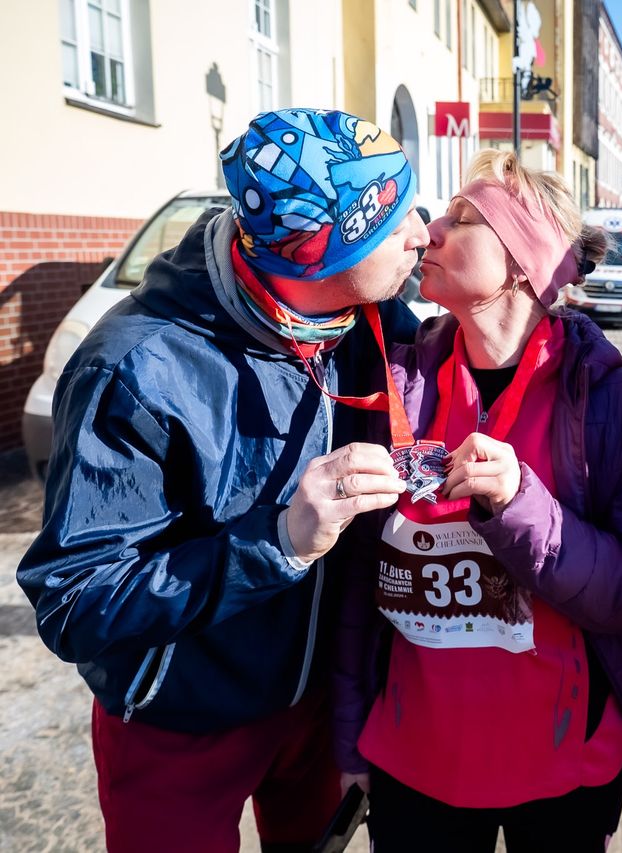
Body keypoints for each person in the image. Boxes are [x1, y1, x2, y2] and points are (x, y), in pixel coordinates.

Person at [16, 108, 427, 852]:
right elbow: (72, 599)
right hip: (179, 719)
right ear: (316, 256)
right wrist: (276, 542)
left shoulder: (361, 319)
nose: (421, 233)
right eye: (393, 220)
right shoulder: (136, 367)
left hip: (308, 704)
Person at [331, 149, 622, 852]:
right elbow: (356, 582)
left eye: (463, 220)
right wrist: (346, 737)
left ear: (523, 261)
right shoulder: (397, 383)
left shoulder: (614, 403)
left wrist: (521, 502)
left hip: (559, 768)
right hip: (413, 759)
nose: (431, 230)